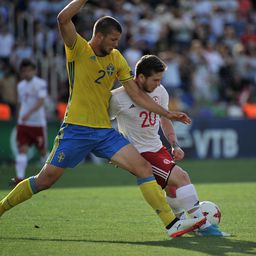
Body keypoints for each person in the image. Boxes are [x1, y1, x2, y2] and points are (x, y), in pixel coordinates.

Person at [0, 0, 206, 238]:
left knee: (143, 167)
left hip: (104, 132)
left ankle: (172, 224)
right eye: (113, 40)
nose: (116, 44)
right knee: (45, 180)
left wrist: (167, 113)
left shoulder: (116, 58)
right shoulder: (77, 49)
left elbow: (136, 94)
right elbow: (62, 19)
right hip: (75, 130)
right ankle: (3, 207)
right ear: (98, 36)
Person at [109, 54, 230, 237]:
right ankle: (204, 225)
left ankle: (181, 221)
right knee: (182, 177)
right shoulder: (118, 98)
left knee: (172, 189)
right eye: (155, 80)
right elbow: (101, 124)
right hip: (141, 153)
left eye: (161, 79)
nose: (159, 84)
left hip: (157, 148)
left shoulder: (160, 92)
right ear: (141, 77)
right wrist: (117, 153)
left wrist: (174, 144)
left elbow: (164, 119)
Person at [10, 58, 48, 185]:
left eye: (28, 71)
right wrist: (20, 116)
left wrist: (28, 113)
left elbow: (41, 101)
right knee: (22, 149)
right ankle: (19, 178)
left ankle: (49, 175)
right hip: (23, 124)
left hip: (37, 124)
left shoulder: (40, 84)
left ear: (34, 71)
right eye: (24, 71)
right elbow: (21, 103)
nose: (26, 74)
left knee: (43, 152)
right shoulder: (20, 86)